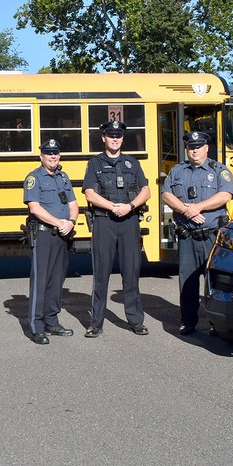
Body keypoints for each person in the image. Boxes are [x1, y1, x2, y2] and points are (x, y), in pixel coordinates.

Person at [159, 131, 233, 335]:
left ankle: (215, 322)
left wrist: (198, 207)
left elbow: (226, 194)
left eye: (198, 146)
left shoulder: (218, 170)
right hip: (187, 235)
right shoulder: (177, 171)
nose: (194, 150)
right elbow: (166, 195)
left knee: (215, 280)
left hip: (212, 235)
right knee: (187, 281)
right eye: (191, 147)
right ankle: (188, 320)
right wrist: (186, 210)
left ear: (206, 148)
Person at [82, 120, 151, 338]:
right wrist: (113, 207)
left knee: (131, 271)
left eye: (118, 136)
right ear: (103, 138)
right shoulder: (95, 163)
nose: (115, 139)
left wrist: (129, 206)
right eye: (111, 135)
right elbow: (89, 193)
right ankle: (96, 323)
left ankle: (135, 320)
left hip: (129, 221)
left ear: (122, 138)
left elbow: (146, 191)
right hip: (104, 221)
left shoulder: (133, 163)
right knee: (101, 274)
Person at [23, 138, 79, 345]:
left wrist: (71, 222)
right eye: (48, 154)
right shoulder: (34, 178)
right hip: (44, 234)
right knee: (40, 281)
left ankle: (52, 321)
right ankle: (37, 327)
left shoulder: (63, 178)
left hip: (63, 234)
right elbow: (34, 208)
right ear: (41, 156)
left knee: (57, 280)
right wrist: (59, 223)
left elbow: (74, 204)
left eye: (56, 153)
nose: (53, 157)